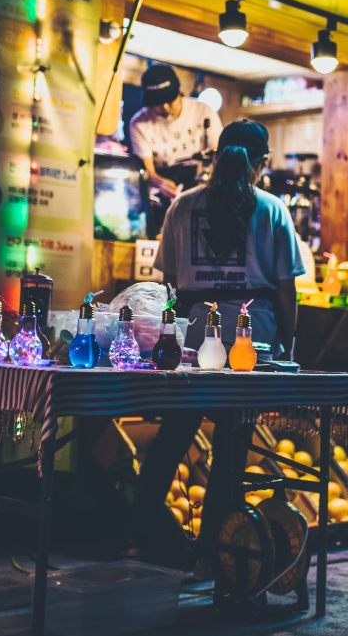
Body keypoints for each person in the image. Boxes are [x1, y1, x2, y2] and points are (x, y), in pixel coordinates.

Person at [133, 119, 305, 571]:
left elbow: (169, 284)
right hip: (252, 344)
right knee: (232, 449)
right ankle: (215, 552)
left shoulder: (182, 207)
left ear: (216, 156)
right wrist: (286, 351)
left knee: (172, 438)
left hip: (192, 340)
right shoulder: (272, 209)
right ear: (261, 164)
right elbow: (286, 290)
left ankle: (149, 539)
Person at [129, 63, 223, 201]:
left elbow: (218, 151)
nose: (165, 108)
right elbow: (148, 171)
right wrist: (161, 183)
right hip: (162, 192)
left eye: (170, 101)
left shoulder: (203, 110)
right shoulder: (139, 123)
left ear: (179, 91)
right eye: (158, 103)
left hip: (200, 184)